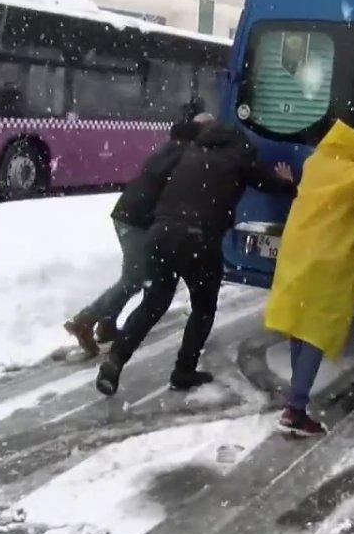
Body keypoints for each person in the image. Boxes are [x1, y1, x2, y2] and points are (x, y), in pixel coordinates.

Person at [95, 116, 294, 395]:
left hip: (160, 233)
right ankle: (184, 370)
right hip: (199, 239)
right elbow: (267, 183)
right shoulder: (240, 153)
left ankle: (114, 362)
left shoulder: (192, 150)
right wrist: (286, 182)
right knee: (203, 308)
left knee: (153, 303)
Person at [264, 119, 354, 437]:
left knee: (299, 324)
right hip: (331, 260)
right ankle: (295, 408)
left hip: (297, 252)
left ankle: (296, 396)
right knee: (317, 332)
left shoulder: (314, 162)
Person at [63, 114, 203, 355]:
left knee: (138, 276)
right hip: (137, 221)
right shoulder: (187, 155)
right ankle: (84, 320)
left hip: (131, 215)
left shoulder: (173, 147)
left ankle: (107, 324)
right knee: (135, 278)